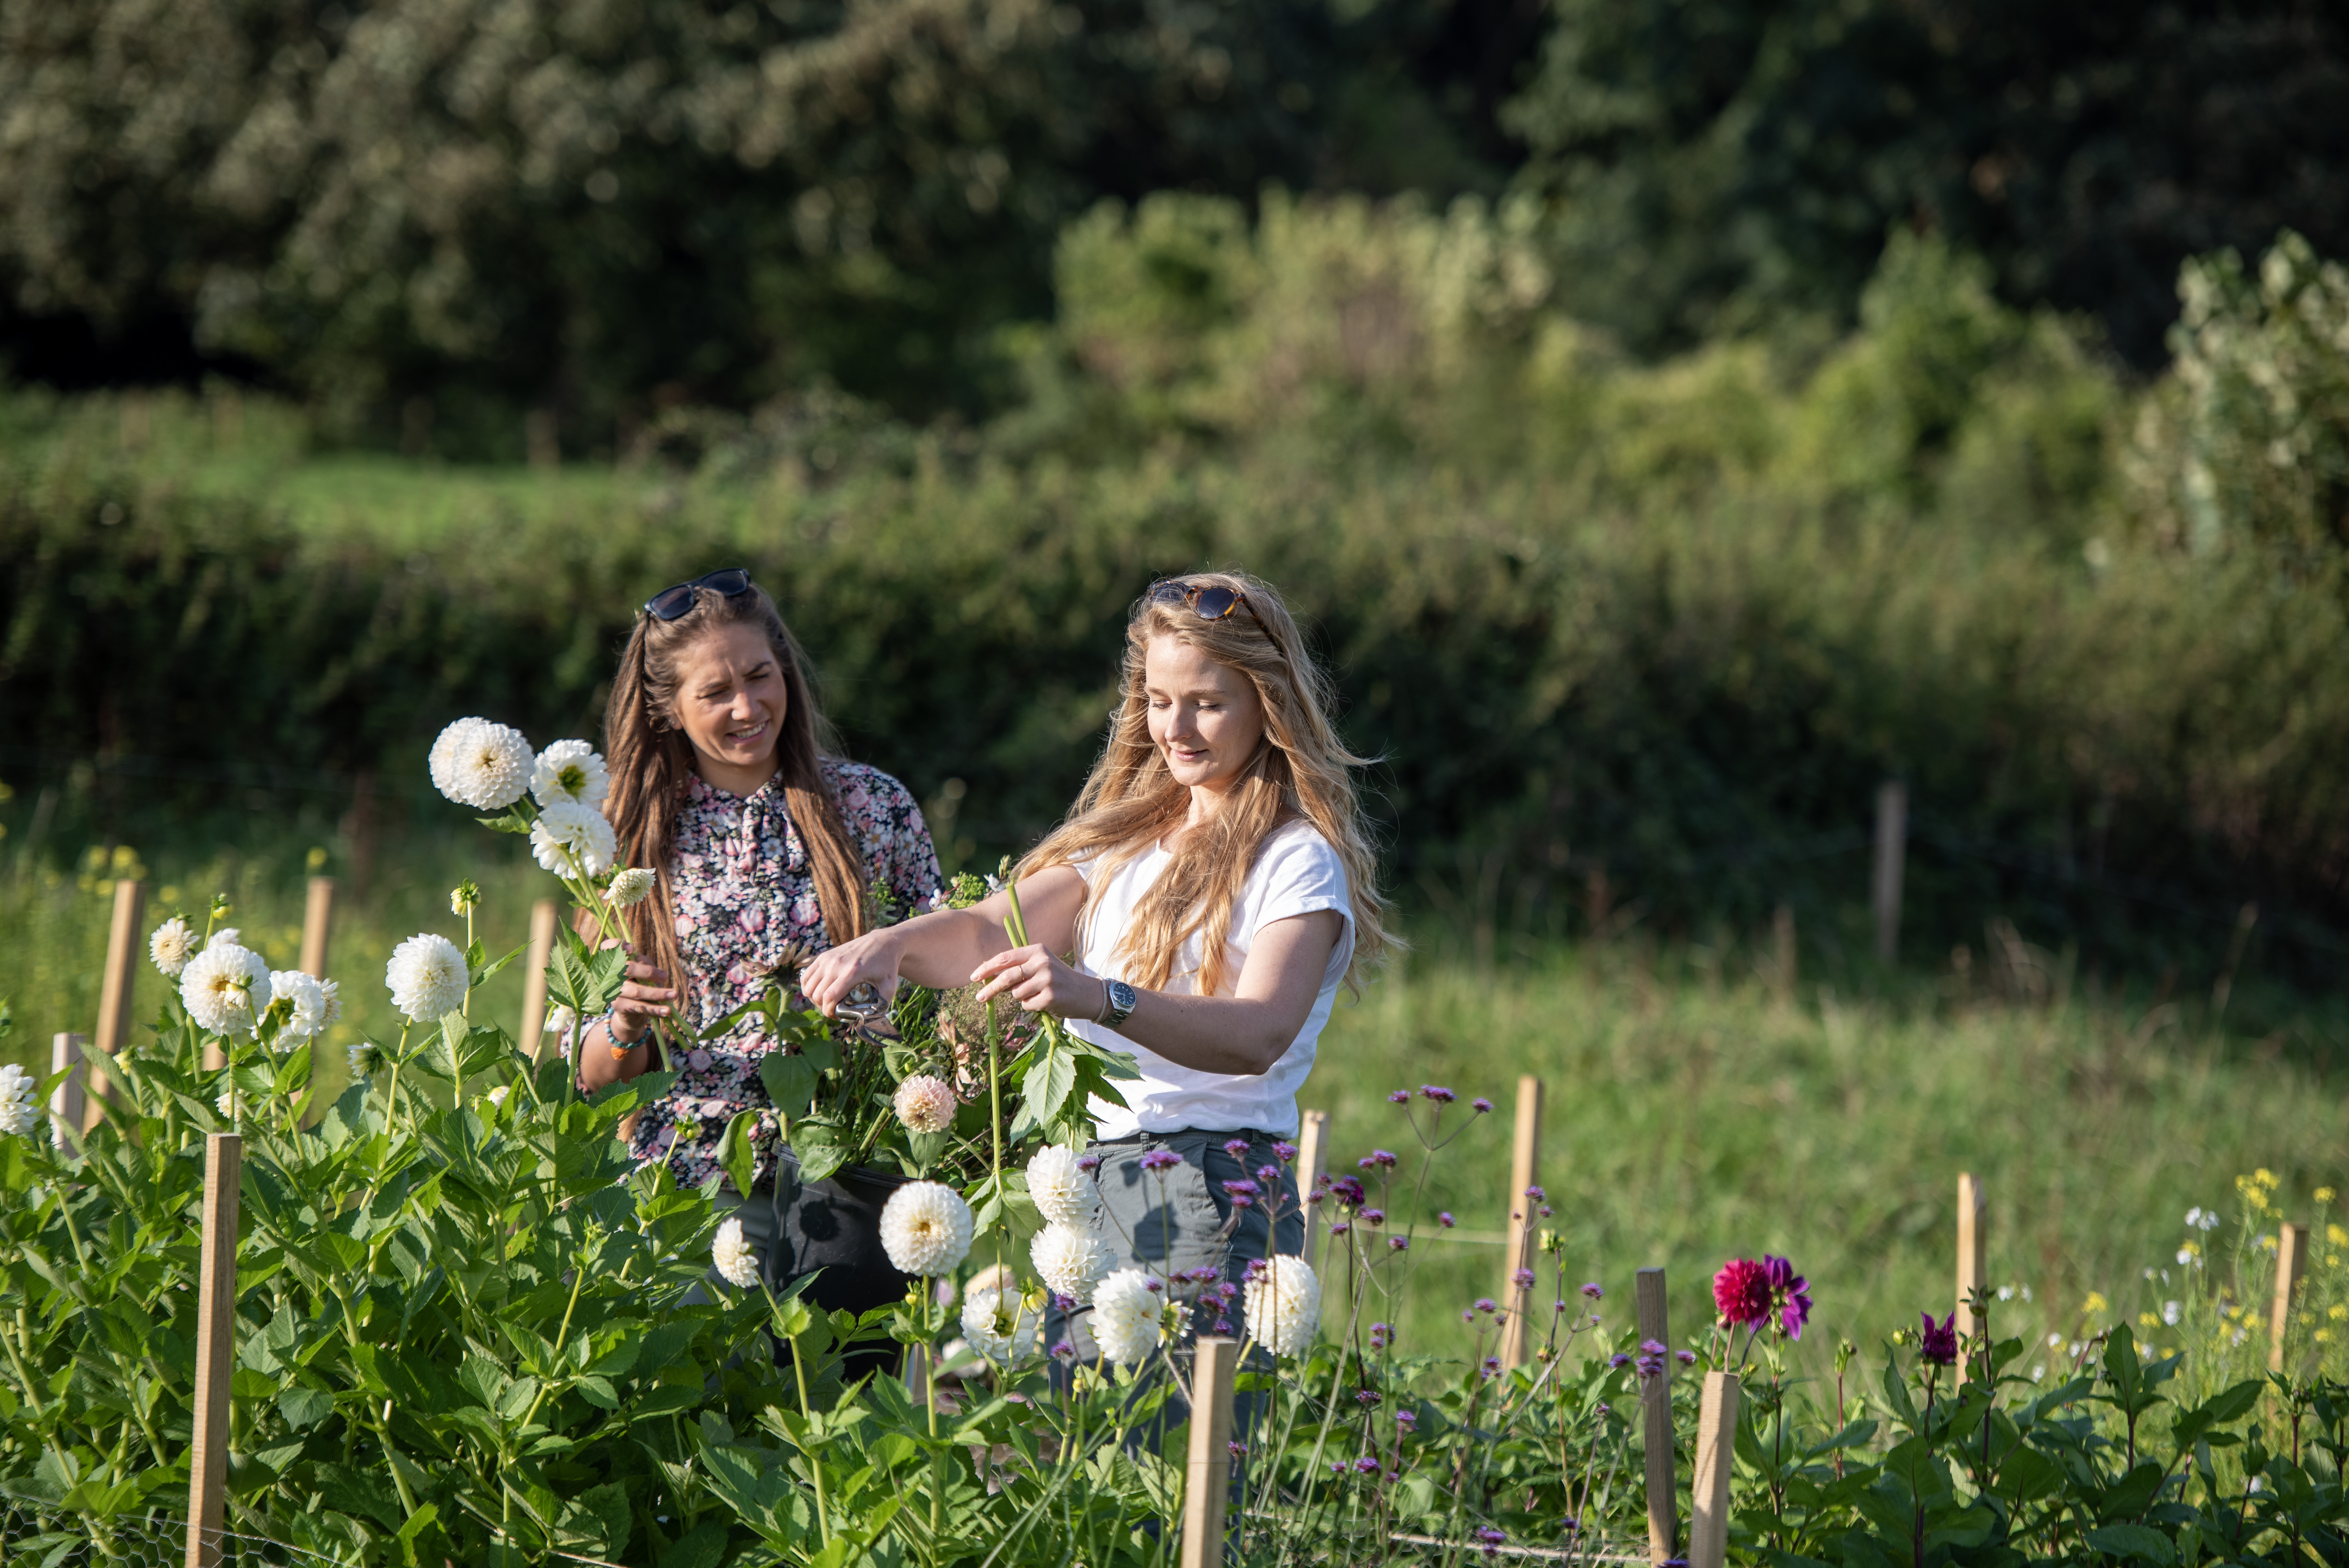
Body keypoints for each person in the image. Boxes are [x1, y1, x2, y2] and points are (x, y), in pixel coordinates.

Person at [804, 570, 1391, 1354]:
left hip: (1209, 1180)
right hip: (1091, 1182)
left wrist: (1098, 996)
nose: (1176, 727)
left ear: (1267, 702)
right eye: (1159, 700)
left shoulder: (1295, 858)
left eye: (1207, 703)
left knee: (1175, 1426)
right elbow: (988, 932)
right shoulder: (1128, 842)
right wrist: (892, 944)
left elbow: (1260, 1033)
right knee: (1085, 1423)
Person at [581, 568, 943, 1309]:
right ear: (668, 708)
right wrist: (624, 1026)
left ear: (787, 673)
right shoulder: (627, 839)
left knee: (844, 1380)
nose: (747, 708)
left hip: (851, 1177)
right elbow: (586, 1075)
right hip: (689, 1187)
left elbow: (946, 980)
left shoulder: (873, 808)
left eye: (759, 676)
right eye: (715, 692)